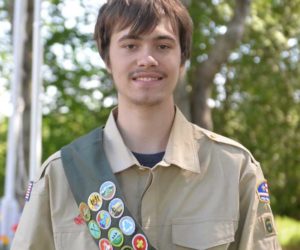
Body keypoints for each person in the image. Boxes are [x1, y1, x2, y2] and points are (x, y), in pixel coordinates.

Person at [12, 0, 281, 249]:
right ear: (107, 58)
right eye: (130, 45)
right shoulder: (60, 177)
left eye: (163, 46)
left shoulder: (234, 170)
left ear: (182, 60)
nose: (147, 59)